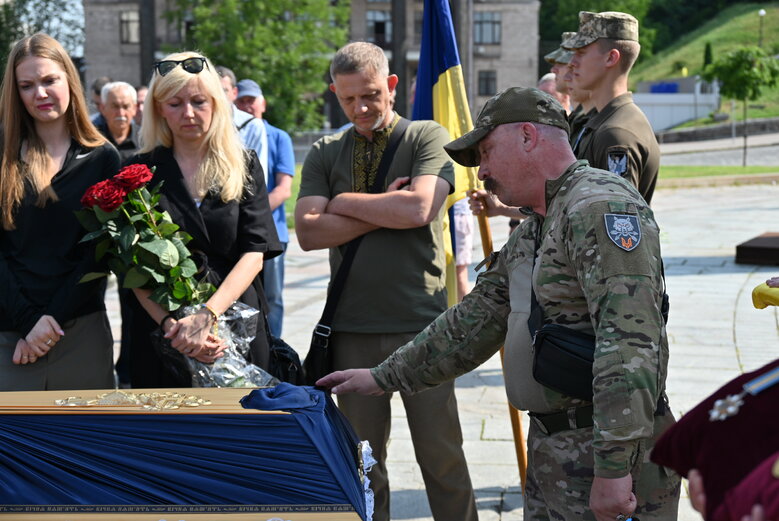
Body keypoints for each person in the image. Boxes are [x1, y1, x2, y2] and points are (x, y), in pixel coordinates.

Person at [317, 86, 680, 521]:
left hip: (606, 458)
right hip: (557, 452)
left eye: (486, 152)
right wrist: (383, 376)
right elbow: (474, 321)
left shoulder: (599, 207)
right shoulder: (537, 224)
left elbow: (630, 348)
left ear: (528, 136)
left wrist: (616, 471)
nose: (482, 171)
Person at [295, 41, 477, 521]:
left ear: (392, 85)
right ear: (335, 93)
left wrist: (340, 202)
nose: (361, 107)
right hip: (352, 328)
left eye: (371, 95)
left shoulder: (425, 136)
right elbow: (308, 232)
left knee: (442, 459)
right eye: (348, 98)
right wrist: (381, 208)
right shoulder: (326, 150)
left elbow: (419, 207)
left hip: (423, 326)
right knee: (362, 464)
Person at [126, 51, 282, 388]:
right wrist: (174, 327)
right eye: (174, 104)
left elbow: (255, 253)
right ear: (157, 109)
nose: (188, 113)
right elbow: (130, 264)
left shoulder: (243, 163)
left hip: (237, 323)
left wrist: (206, 316)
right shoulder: (138, 171)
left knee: (241, 435)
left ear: (217, 102)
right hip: (161, 334)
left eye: (199, 101)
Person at [0, 33, 121, 390]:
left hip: (81, 331)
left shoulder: (103, 158)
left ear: (69, 78)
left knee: (87, 444)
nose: (40, 93)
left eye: (49, 80)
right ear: (16, 92)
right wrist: (28, 323)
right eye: (27, 85)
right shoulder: (2, 156)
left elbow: (100, 253)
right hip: (10, 336)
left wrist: (50, 322)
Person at [563, 11, 660, 204]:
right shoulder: (603, 122)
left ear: (610, 58)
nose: (572, 63)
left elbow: (617, 223)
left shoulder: (616, 134)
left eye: (581, 53)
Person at [235, 78, 294, 338]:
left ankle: (275, 346)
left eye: (252, 100)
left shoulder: (279, 137)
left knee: (272, 296)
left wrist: (250, 214)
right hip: (240, 233)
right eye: (242, 101)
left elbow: (283, 189)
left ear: (263, 104)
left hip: (273, 232)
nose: (247, 106)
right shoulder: (233, 134)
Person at [96, 81, 140, 160]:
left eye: (126, 106)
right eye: (115, 106)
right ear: (103, 108)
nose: (121, 113)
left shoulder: (145, 141)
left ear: (134, 109)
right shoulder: (92, 140)